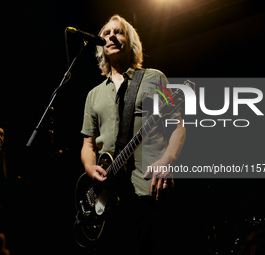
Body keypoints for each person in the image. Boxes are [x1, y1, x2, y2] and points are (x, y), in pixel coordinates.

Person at [80, 14, 186, 254]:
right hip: (109, 197)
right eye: (106, 33)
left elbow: (178, 127)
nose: (111, 37)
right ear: (100, 46)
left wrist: (167, 160)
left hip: (148, 187)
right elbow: (88, 144)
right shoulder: (93, 95)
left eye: (118, 32)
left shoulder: (154, 78)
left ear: (130, 41)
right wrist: (89, 168)